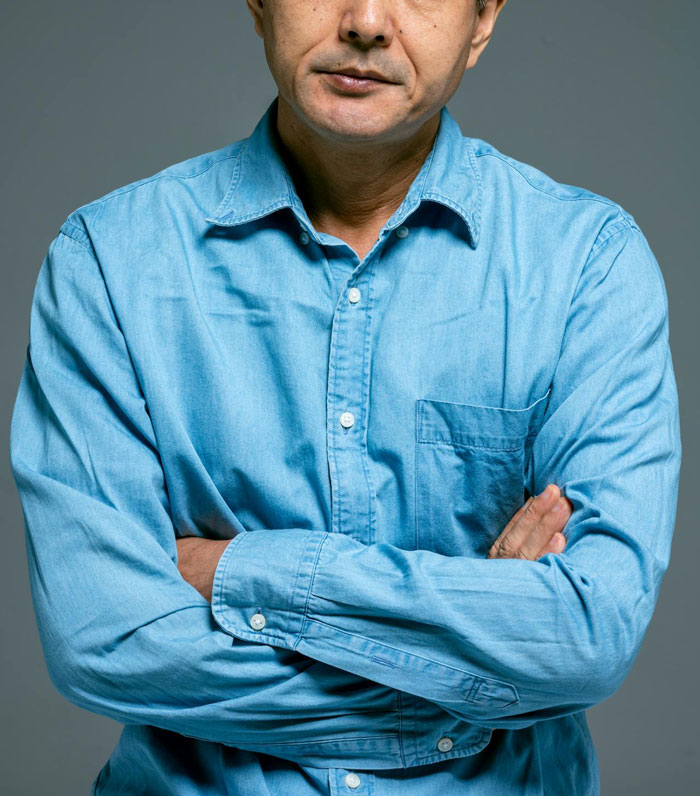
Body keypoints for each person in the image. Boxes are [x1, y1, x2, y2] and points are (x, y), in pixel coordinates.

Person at [9, 0, 681, 794]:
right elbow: (106, 641)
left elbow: (586, 636)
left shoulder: (587, 265)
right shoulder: (109, 260)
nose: (365, 20)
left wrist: (242, 573)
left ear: (484, 17)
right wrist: (469, 688)